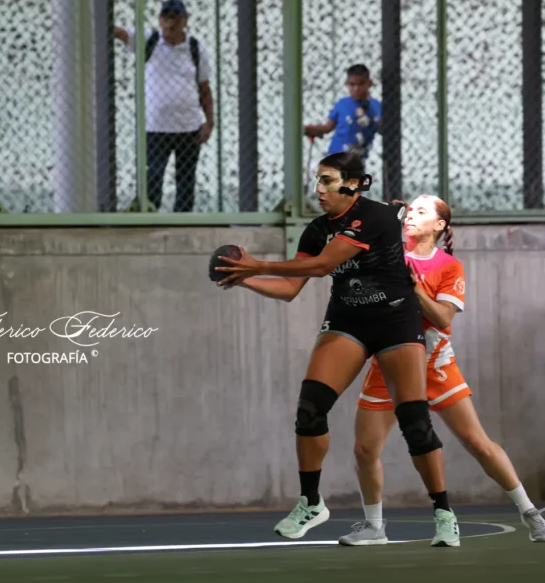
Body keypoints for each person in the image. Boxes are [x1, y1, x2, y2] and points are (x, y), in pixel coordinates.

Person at [216, 151, 460, 547]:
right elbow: (289, 289)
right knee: (309, 409)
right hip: (349, 321)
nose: (318, 189)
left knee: (415, 423)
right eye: (317, 180)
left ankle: (443, 512)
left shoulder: (375, 217)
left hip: (395, 320)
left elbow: (321, 266)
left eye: (327, 180)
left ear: (354, 184)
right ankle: (311, 502)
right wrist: (242, 278)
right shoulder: (316, 230)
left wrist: (256, 264)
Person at [340, 195, 545, 545]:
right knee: (364, 449)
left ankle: (531, 515)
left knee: (478, 443)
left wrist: (413, 287)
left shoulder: (448, 267)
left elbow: (442, 317)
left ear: (439, 225)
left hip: (435, 367)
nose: (411, 216)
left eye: (421, 211)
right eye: (410, 211)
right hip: (390, 365)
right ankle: (374, 527)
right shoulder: (389, 256)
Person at [114, 0, 213, 212]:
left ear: (184, 21)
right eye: (166, 17)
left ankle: (182, 221)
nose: (170, 23)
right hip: (156, 127)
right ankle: (151, 216)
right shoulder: (149, 40)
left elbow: (204, 88)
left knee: (186, 179)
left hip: (188, 126)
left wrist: (209, 122)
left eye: (175, 18)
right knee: (153, 175)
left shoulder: (195, 48)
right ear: (159, 20)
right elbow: (122, 34)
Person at [303, 64, 382, 162]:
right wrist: (311, 129)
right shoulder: (342, 104)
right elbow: (327, 127)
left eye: (361, 84)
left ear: (369, 83)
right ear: (347, 84)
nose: (356, 88)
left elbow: (382, 129)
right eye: (352, 84)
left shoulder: (375, 105)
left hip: (357, 158)